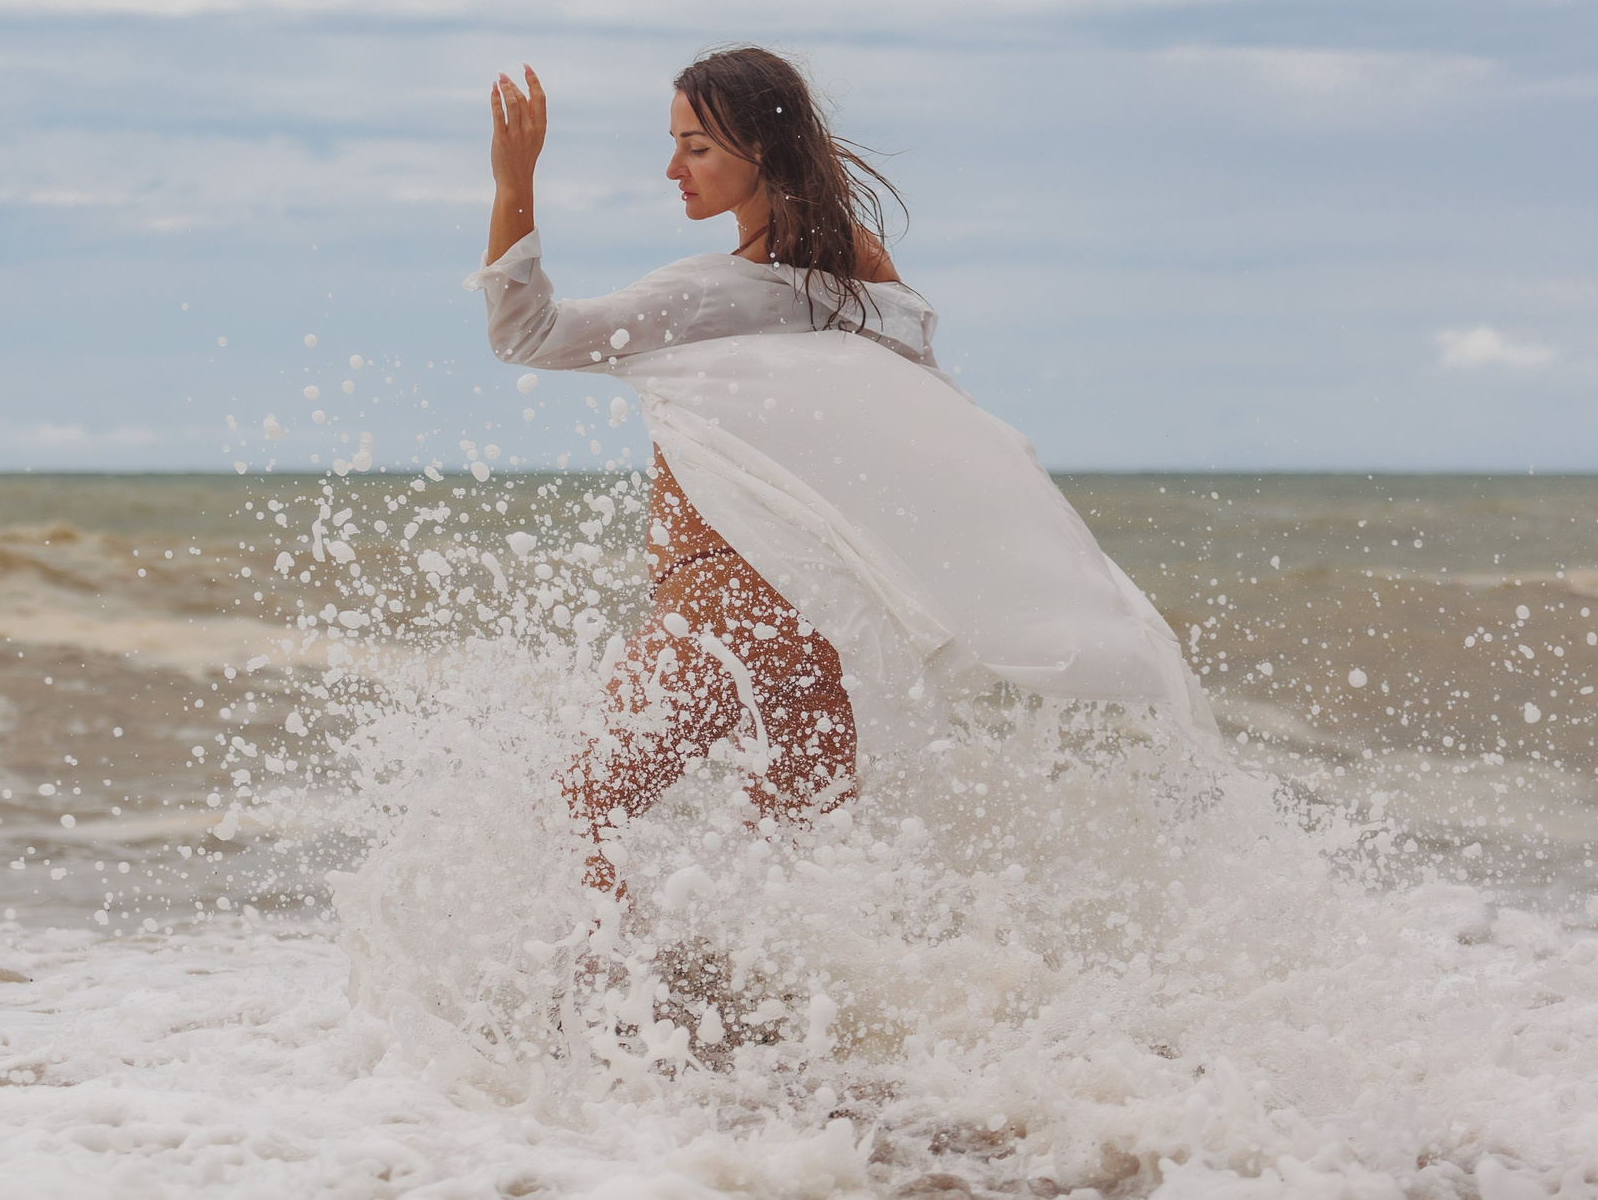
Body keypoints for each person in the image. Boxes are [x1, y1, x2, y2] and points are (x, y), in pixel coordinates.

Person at [469, 47, 1213, 900]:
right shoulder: (866, 286)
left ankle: (582, 1030)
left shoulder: (711, 295)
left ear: (763, 150)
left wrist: (512, 179)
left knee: (577, 820)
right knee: (793, 895)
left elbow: (523, 332)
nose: (672, 168)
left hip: (719, 615)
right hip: (828, 635)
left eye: (696, 147)